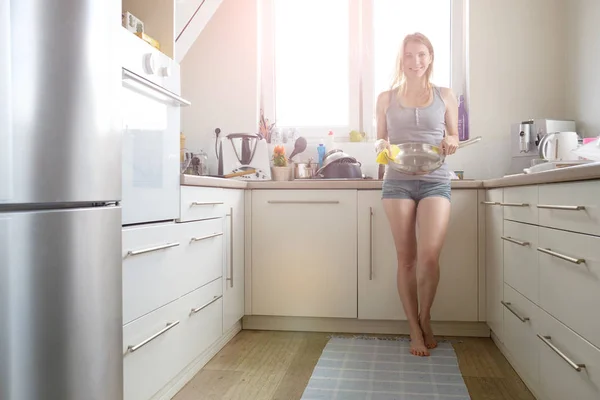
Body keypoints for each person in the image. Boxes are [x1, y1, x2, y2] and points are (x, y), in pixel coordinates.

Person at [374, 32, 459, 357]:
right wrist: (381, 147)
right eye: (409, 55)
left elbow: (453, 135)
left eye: (421, 55)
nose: (416, 61)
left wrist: (452, 140)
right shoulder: (386, 98)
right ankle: (413, 327)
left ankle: (426, 316)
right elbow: (381, 142)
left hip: (436, 179)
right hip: (397, 181)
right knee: (406, 259)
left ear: (430, 57)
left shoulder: (445, 95)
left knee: (429, 257)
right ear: (402, 59)